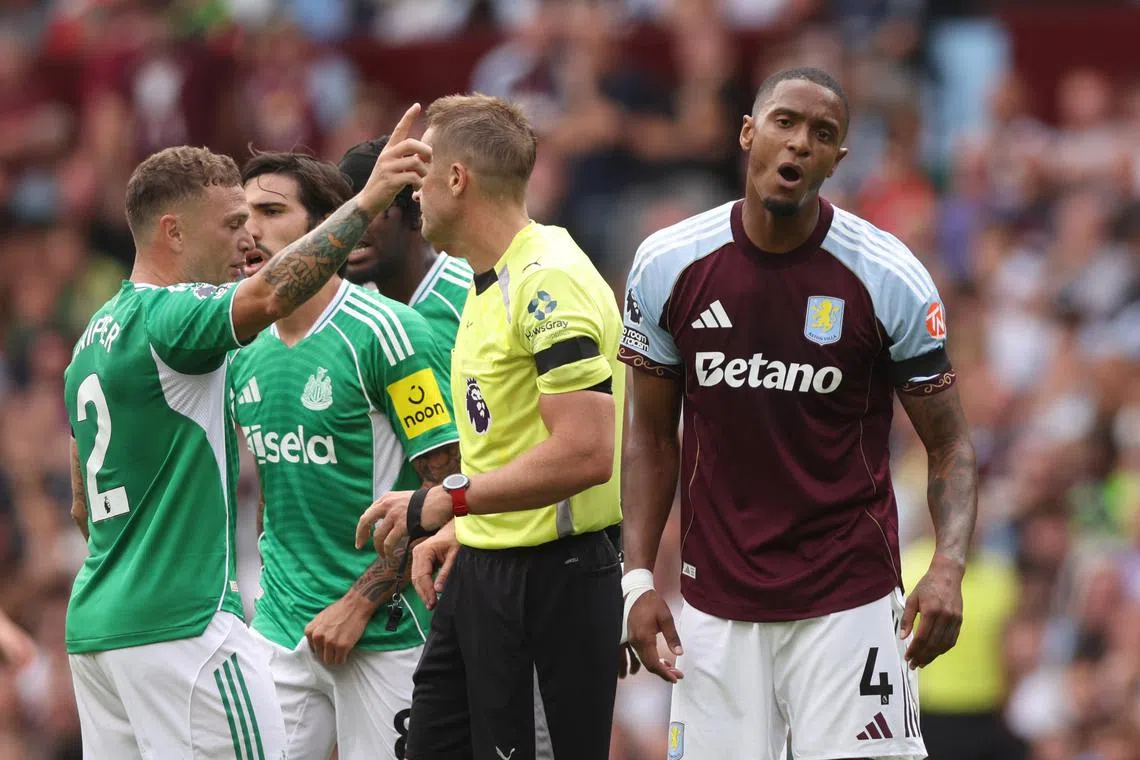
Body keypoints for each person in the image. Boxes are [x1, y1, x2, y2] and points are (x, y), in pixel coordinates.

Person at [618, 67, 978, 760]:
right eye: (784, 122)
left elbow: (952, 445)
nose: (799, 144)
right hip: (716, 612)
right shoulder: (668, 264)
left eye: (822, 134)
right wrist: (636, 579)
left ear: (838, 160)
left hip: (850, 605)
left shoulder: (888, 276)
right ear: (749, 132)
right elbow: (651, 435)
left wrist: (948, 567)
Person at [63, 104, 431, 758]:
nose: (247, 239)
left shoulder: (94, 336)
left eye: (262, 217)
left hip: (99, 629)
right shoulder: (180, 321)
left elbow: (83, 505)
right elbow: (266, 297)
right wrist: (372, 195)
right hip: (187, 627)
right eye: (233, 222)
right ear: (173, 232)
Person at [355, 94, 624, 760]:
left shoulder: (546, 282)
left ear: (456, 179)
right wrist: (459, 528)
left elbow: (587, 452)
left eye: (419, 174)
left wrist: (450, 500)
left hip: (550, 581)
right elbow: (511, 440)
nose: (410, 196)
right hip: (485, 564)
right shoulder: (487, 281)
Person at [232, 150, 461, 760]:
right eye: (242, 213)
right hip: (281, 628)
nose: (249, 229)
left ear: (328, 225)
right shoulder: (241, 345)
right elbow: (273, 498)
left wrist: (358, 603)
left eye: (271, 210)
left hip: (385, 628)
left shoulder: (387, 333)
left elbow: (449, 490)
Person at [338, 138, 473, 349]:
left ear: (415, 210)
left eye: (372, 207)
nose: (348, 225)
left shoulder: (472, 297)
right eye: (343, 210)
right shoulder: (350, 319)